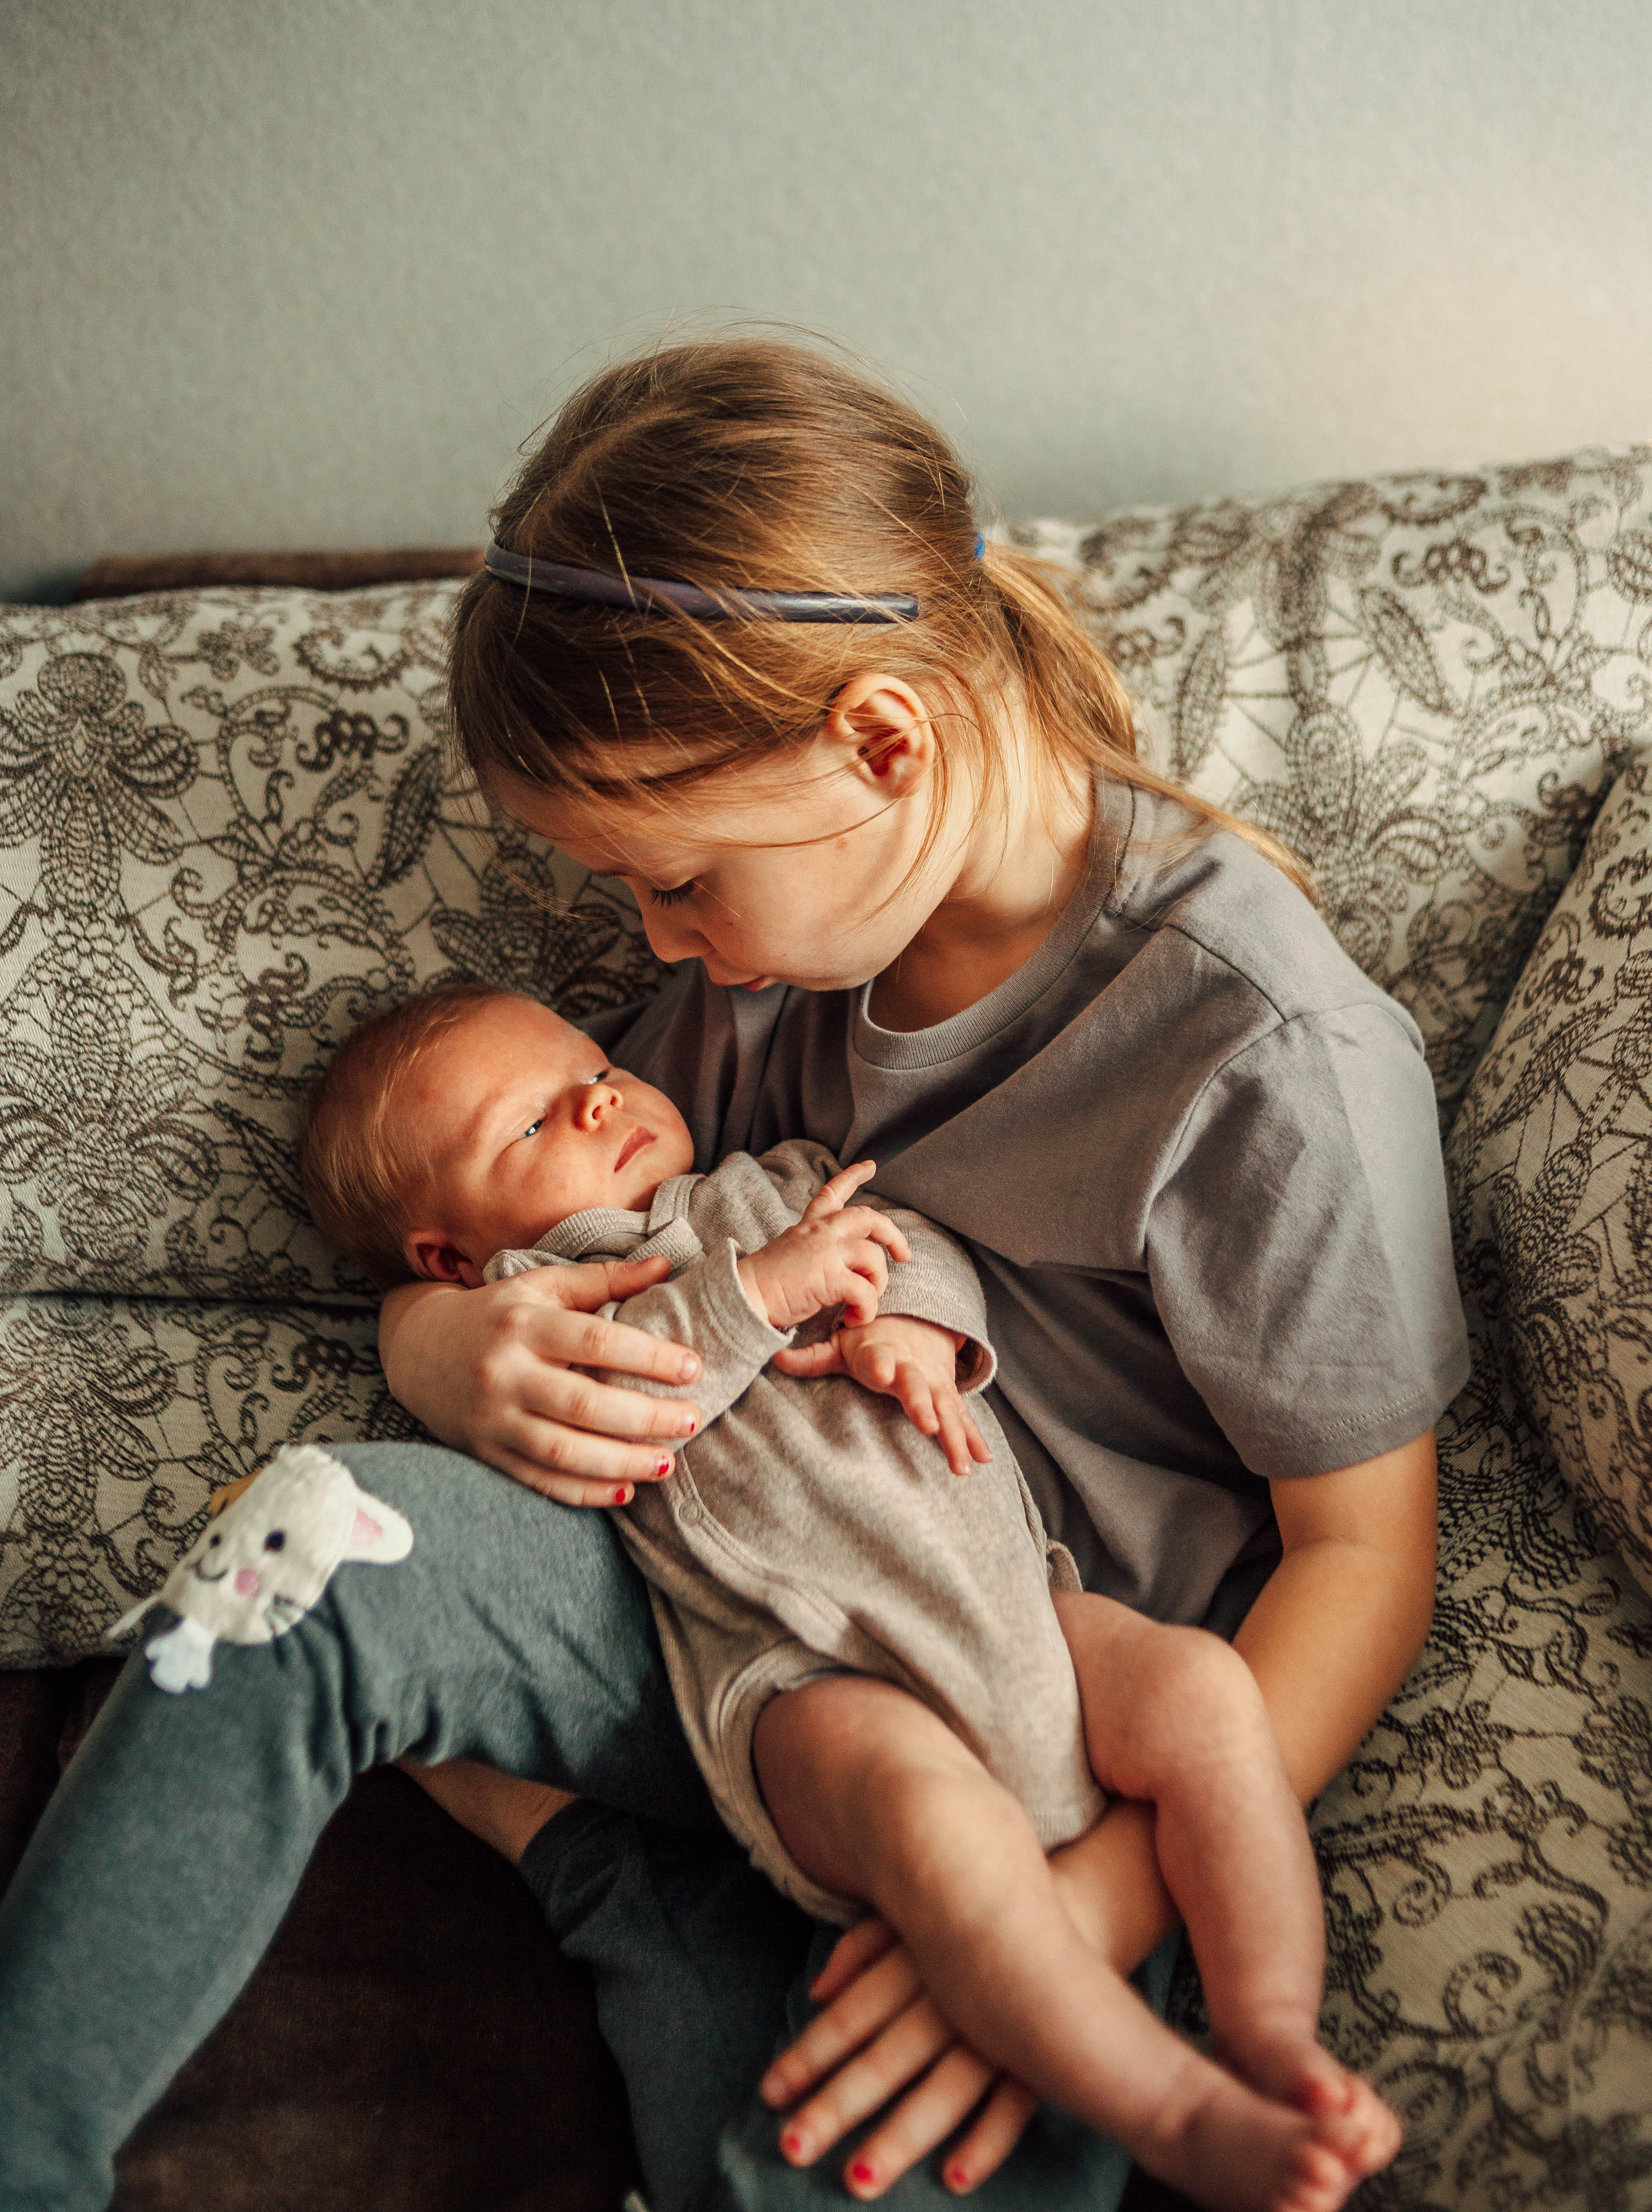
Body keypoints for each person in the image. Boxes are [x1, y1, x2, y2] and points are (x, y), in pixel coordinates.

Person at [0, 336, 1462, 2212]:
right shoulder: (779, 954)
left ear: (881, 741)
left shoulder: (1261, 1053)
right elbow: (554, 1221)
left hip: (1029, 1694)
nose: (653, 942)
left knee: (868, 2140)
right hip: (711, 1606)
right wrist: (440, 1343)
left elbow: (1365, 1559)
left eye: (674, 880)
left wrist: (1073, 1913)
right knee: (317, 1531)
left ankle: (674, 1901)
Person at [296, 983, 1402, 2210]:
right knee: (939, 1833)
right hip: (803, 1679)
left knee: (1206, 1695)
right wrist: (758, 1292)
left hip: (1027, 1607)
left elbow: (909, 1245)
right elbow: (641, 1396)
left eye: (590, 1068)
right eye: (533, 1125)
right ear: (453, 1256)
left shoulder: (777, 1178)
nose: (600, 1097)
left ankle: (1270, 2033)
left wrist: (917, 1329)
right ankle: (1173, 2108)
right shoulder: (556, 1313)